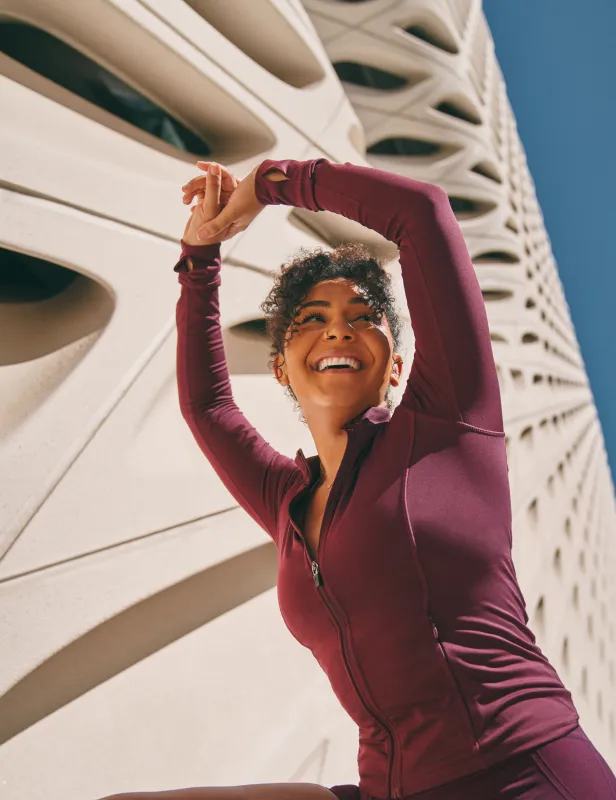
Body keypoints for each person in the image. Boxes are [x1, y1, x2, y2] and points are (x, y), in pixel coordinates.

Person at [98, 159, 616, 799]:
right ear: (283, 368)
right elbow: (207, 406)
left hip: (515, 773)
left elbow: (421, 213)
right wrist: (199, 257)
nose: (337, 327)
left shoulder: (449, 427)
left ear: (396, 366)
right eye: (310, 319)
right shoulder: (287, 502)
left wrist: (270, 184)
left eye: (361, 314)